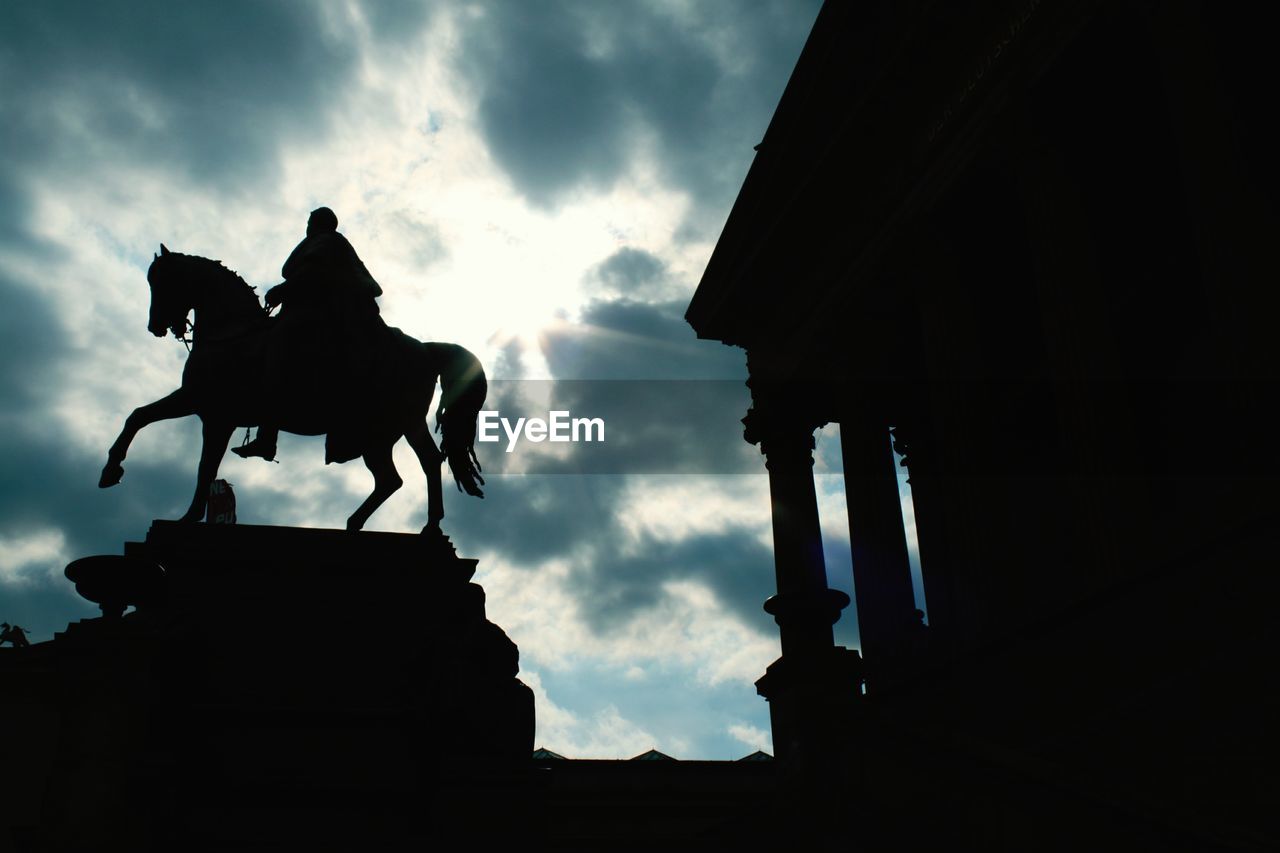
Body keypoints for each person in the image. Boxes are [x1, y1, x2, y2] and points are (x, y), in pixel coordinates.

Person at [234, 207, 385, 462]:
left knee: (278, 342)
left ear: (317, 224)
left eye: (309, 222)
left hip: (324, 312)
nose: (306, 227)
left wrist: (283, 289)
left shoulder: (325, 241)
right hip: (314, 309)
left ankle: (267, 439)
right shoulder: (327, 243)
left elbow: (312, 273)